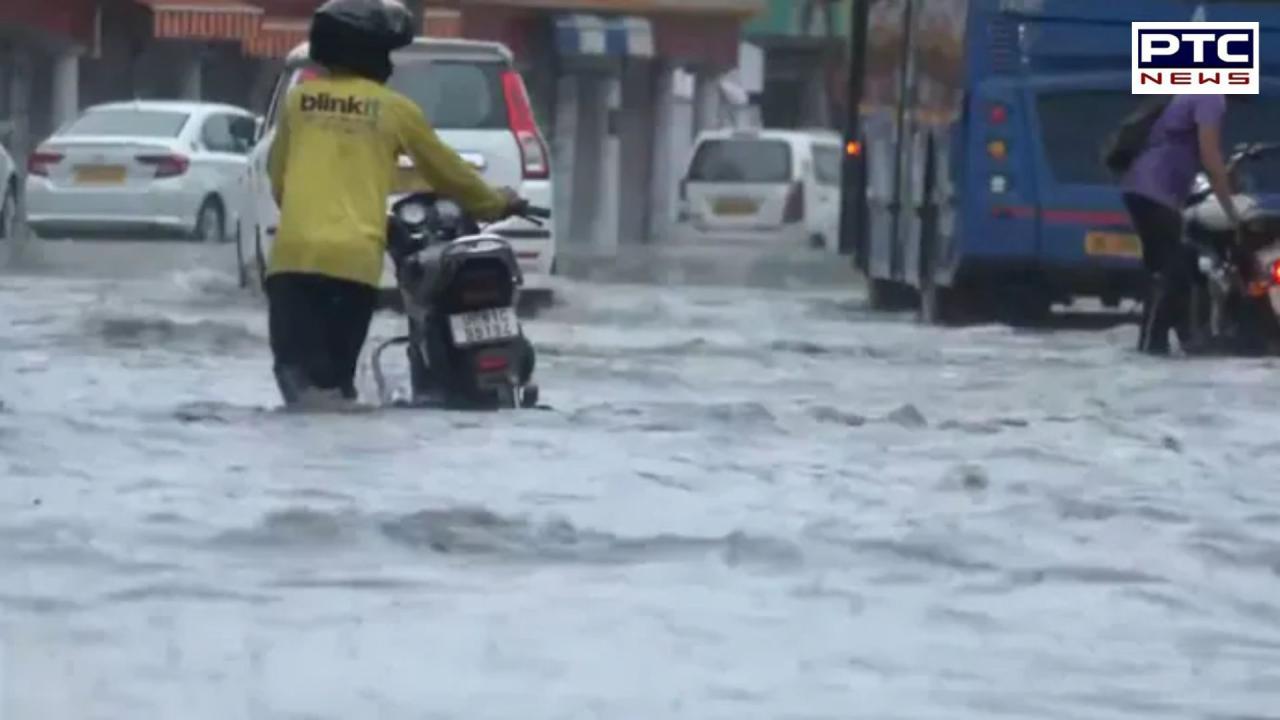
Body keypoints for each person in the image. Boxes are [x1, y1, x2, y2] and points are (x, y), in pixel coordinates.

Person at [266, 0, 522, 409]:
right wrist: (495, 204)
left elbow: (277, 176)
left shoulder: (301, 102)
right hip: (352, 268)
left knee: (297, 383)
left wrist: (306, 213)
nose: (389, 64)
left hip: (291, 263)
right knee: (336, 384)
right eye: (385, 54)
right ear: (367, 54)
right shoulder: (396, 110)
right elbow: (447, 172)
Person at [1121, 93, 1239, 356]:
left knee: (1171, 269)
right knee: (1173, 272)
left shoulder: (1194, 93)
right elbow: (1210, 156)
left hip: (1141, 188)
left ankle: (1168, 343)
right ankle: (1156, 345)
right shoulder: (1211, 98)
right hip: (1153, 192)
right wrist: (1231, 211)